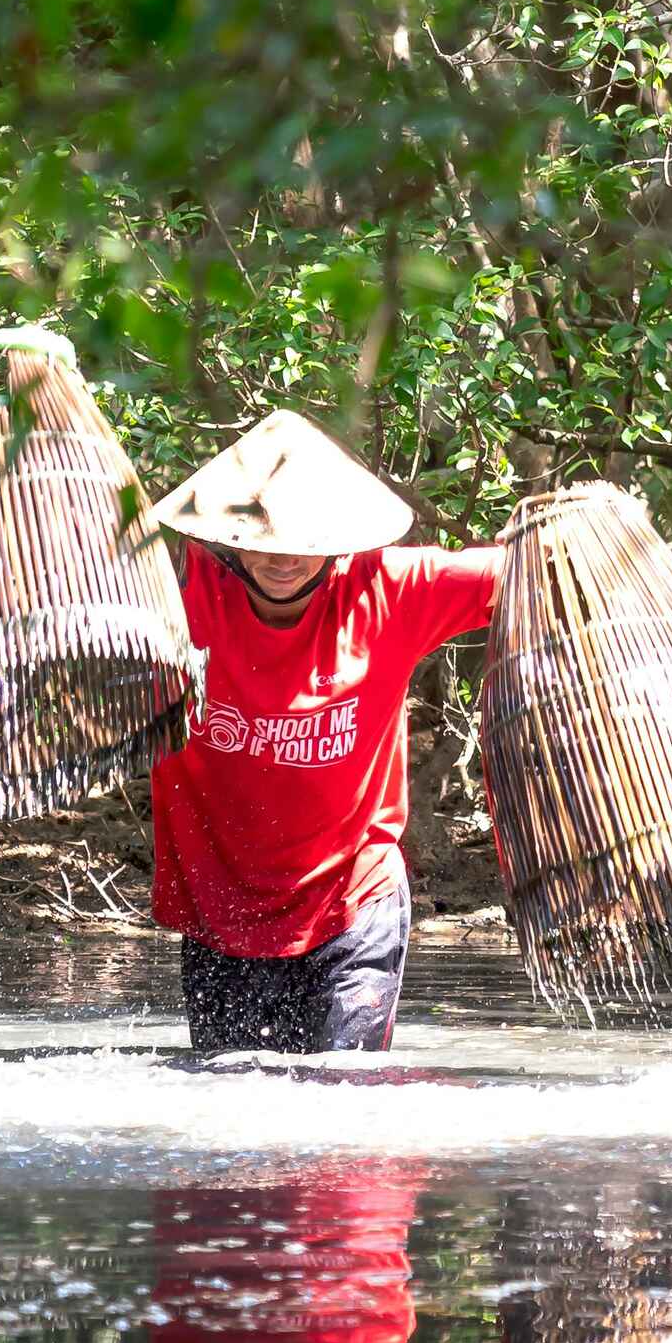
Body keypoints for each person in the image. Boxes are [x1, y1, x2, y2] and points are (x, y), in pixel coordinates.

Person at [147, 411, 501, 1055]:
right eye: (265, 539)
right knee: (226, 1119)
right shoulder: (172, 592)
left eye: (306, 540)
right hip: (219, 907)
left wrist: (583, 524)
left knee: (346, 1107)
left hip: (352, 902)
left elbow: (527, 572)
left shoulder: (390, 591)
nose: (285, 559)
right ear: (230, 537)